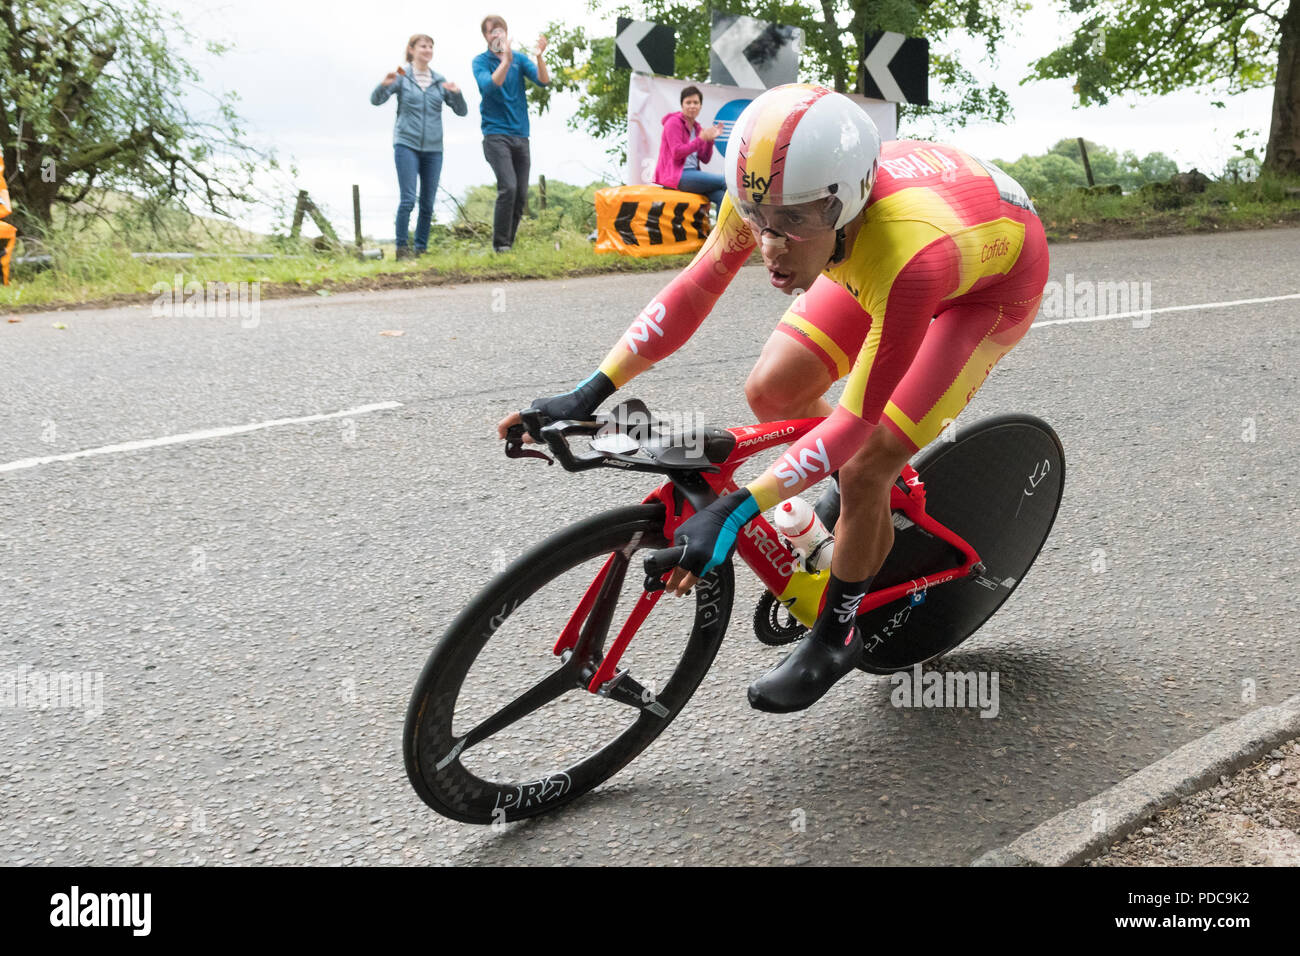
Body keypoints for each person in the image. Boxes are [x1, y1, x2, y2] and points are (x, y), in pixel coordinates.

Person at [497, 84, 1049, 713]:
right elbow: (698, 285)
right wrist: (588, 391)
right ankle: (859, 514)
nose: (771, 245)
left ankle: (836, 634)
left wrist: (733, 509)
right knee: (773, 390)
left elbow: (851, 424)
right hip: (888, 237)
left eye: (794, 225)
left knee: (867, 464)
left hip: (987, 285)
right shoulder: (771, 192)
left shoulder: (907, 258)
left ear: (844, 206)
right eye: (760, 221)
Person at [371, 33, 468, 259]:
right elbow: (376, 100)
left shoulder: (439, 79)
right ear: (412, 49)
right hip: (406, 143)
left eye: (431, 47)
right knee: (408, 199)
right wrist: (383, 85)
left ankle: (421, 250)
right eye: (423, 46)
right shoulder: (402, 76)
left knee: (427, 203)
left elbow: (462, 111)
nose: (427, 50)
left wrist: (457, 93)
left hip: (434, 149)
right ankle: (402, 250)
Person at [472, 16, 549, 253]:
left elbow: (543, 81)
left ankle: (509, 245)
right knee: (508, 187)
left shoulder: (519, 59)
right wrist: (505, 60)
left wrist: (538, 57)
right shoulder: (480, 62)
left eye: (500, 31)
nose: (497, 35)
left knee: (521, 194)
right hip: (495, 135)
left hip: (521, 135)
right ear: (485, 36)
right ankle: (500, 245)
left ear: (506, 33)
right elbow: (490, 86)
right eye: (492, 32)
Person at [654, 86, 725, 214]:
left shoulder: (697, 128)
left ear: (700, 106)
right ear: (682, 105)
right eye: (688, 102)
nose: (692, 106)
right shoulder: (673, 122)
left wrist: (709, 140)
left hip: (691, 175)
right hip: (677, 176)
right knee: (725, 181)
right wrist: (701, 140)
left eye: (696, 103)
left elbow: (705, 158)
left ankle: (719, 233)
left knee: (722, 196)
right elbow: (677, 152)